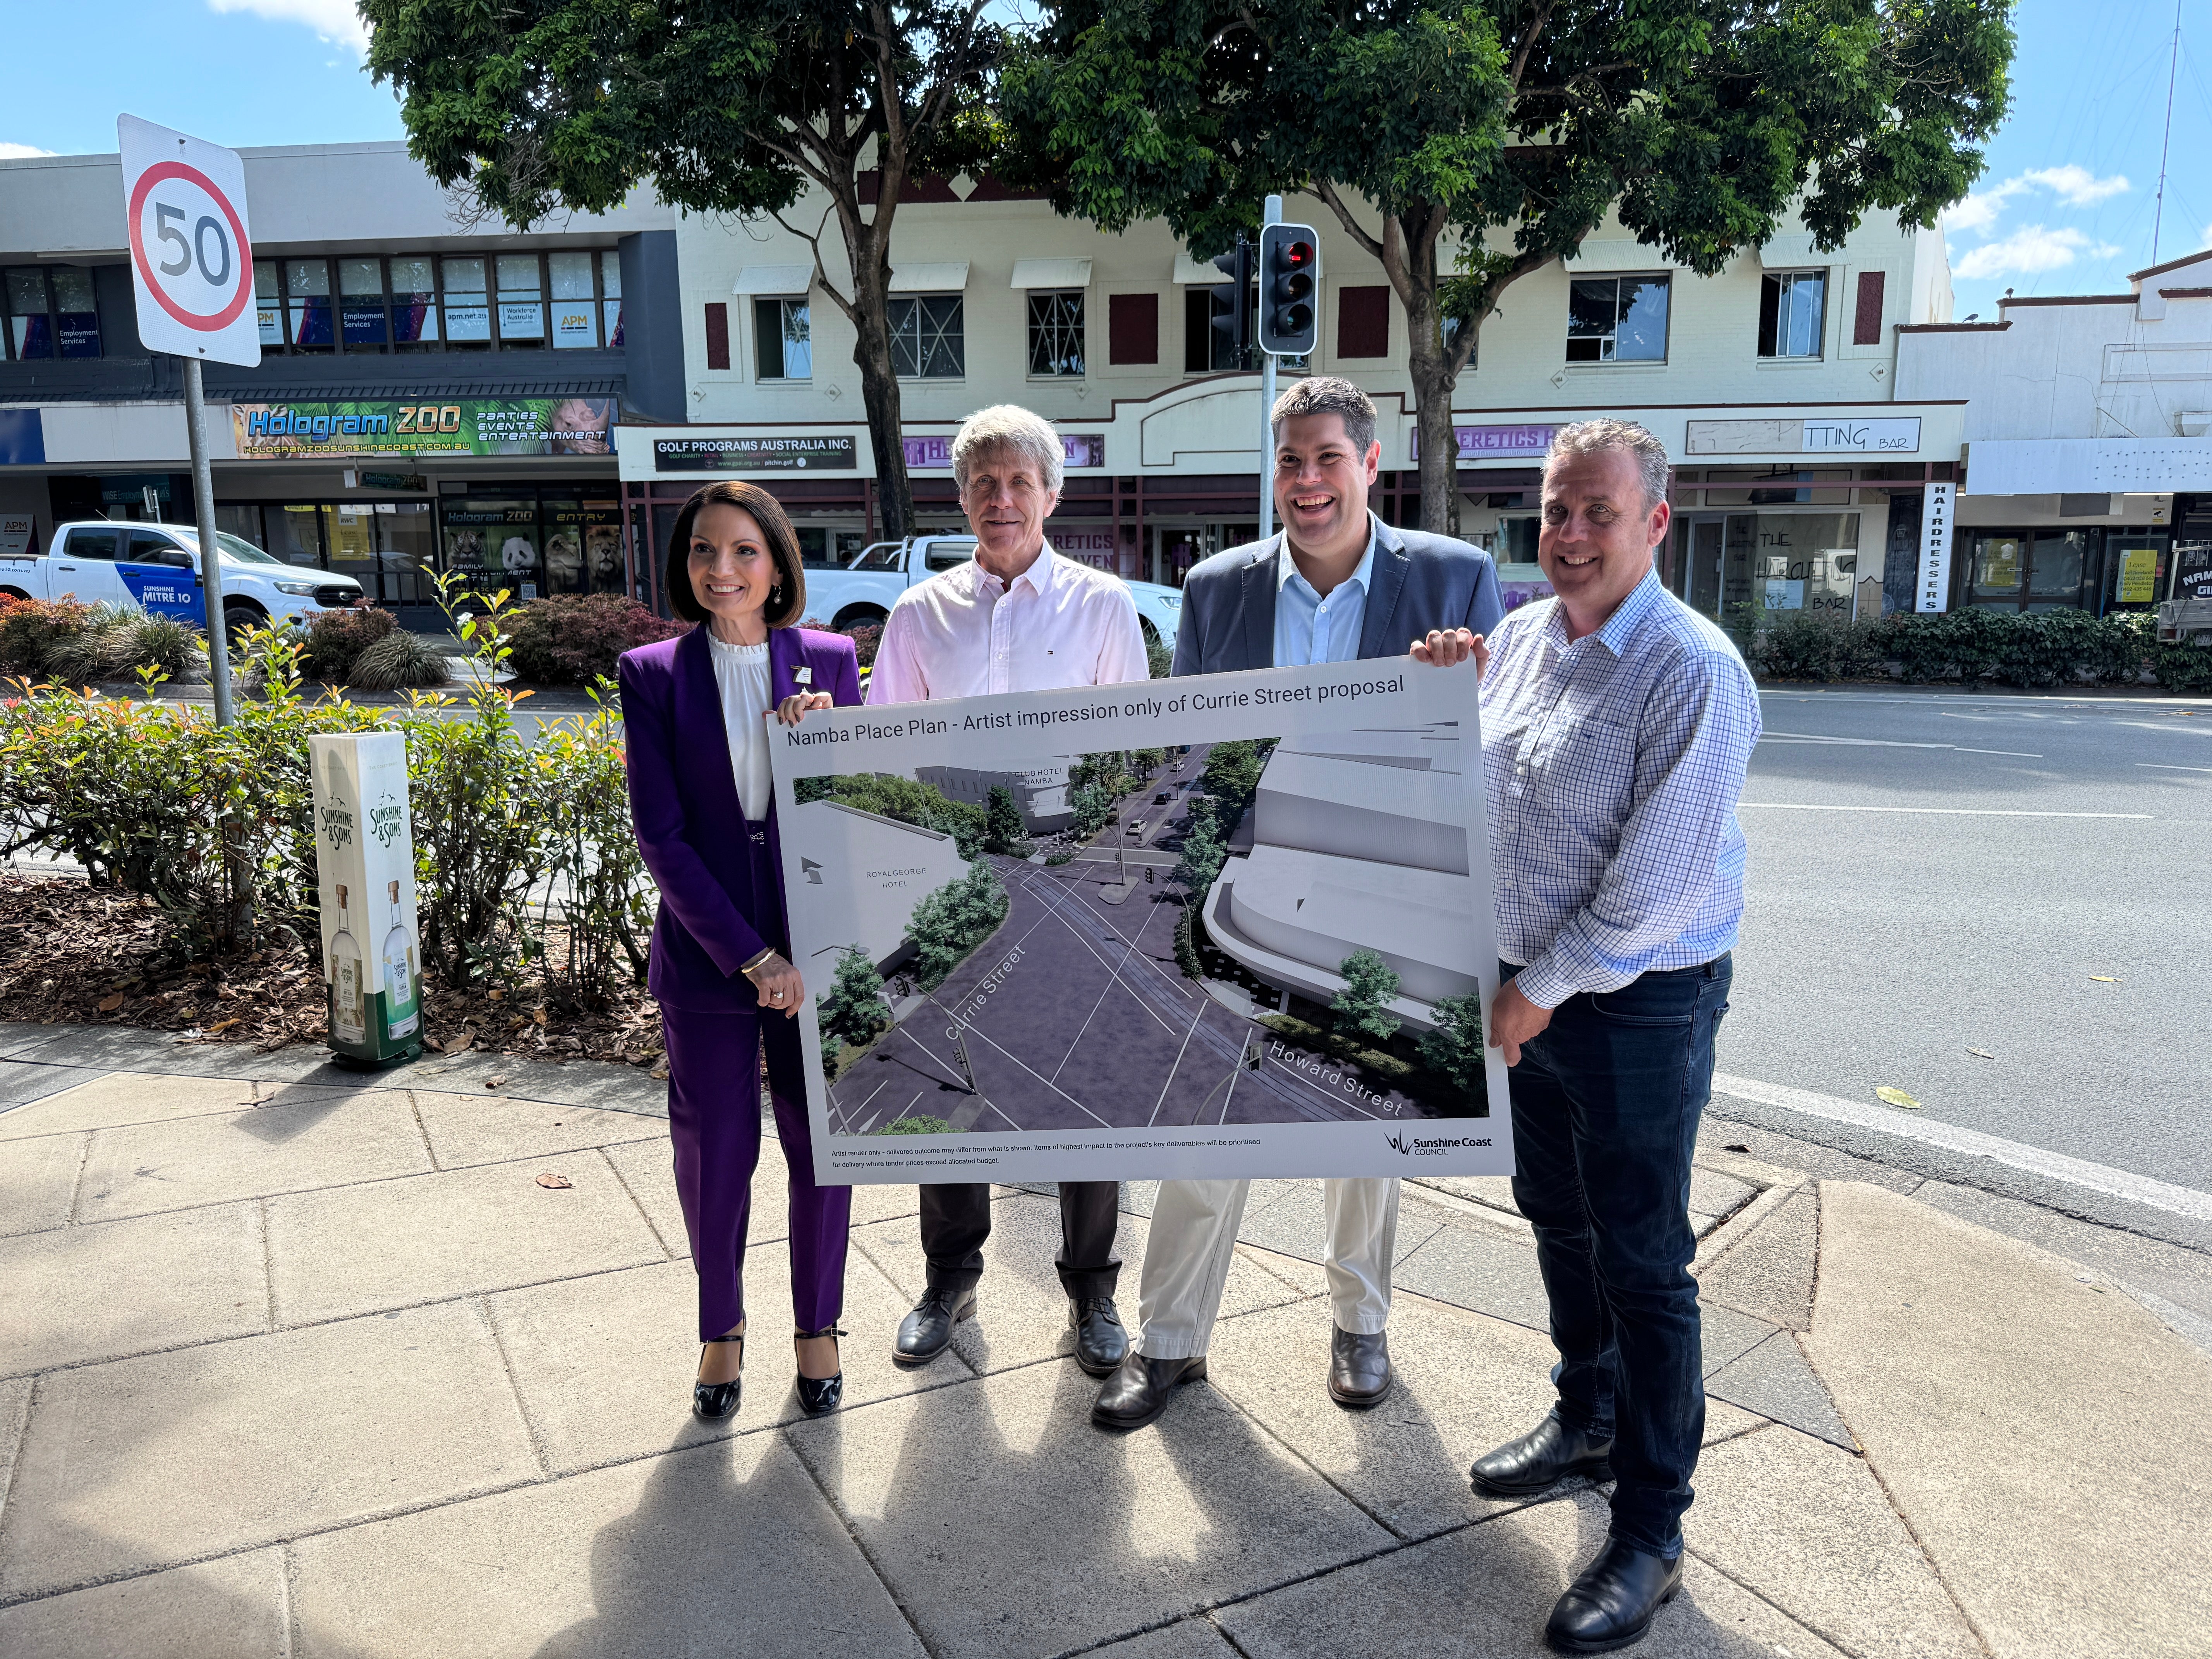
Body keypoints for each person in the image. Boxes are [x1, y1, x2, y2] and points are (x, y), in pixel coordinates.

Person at [1091, 376, 1505, 1432]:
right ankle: (1171, 1342)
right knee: (1204, 1124)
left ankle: (1360, 1324)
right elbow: (1192, 758)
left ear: (1372, 465)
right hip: (1255, 869)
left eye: (1327, 458)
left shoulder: (1455, 579)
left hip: (1393, 873)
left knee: (1369, 1124)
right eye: (1289, 461)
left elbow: (1496, 748)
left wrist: (1467, 683)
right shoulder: (1219, 586)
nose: (1307, 481)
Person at [1427, 419, 1761, 1654]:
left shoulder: (1691, 668)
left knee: (1646, 1261)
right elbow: (1477, 791)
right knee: (1554, 1213)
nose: (1569, 535)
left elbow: (1657, 882)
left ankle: (1652, 1526)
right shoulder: (1518, 639)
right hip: (1524, 988)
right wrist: (1440, 702)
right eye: (1556, 511)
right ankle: (1587, 1412)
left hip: (1633, 1002)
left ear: (1655, 524)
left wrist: (1541, 989)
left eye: (1597, 515)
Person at [868, 404, 1151, 1377]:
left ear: (1052, 493)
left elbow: (1129, 756)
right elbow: (882, 755)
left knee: (1090, 1089)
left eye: (1019, 482)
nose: (1001, 500)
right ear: (960, 497)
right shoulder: (917, 615)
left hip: (1069, 872)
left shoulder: (1105, 607)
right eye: (983, 483)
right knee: (946, 1076)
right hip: (951, 872)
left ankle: (1094, 1290)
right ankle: (949, 1277)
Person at [618, 481, 864, 1422]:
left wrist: (825, 749)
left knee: (822, 1152)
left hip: (822, 956)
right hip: (712, 958)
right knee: (716, 1153)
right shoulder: (651, 674)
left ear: (777, 564)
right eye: (703, 553)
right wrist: (753, 958)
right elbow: (661, 834)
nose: (722, 570)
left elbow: (855, 806)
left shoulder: (831, 661)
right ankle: (720, 1329)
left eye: (744, 552)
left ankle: (820, 1327)